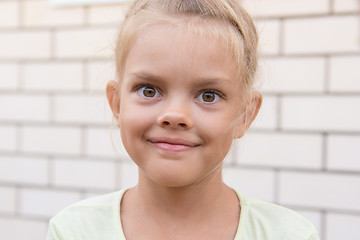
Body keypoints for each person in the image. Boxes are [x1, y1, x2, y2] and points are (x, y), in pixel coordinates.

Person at [46, 0, 320, 239]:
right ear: (116, 103)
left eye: (208, 95)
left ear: (245, 115)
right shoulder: (73, 231)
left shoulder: (290, 235)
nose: (175, 116)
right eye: (149, 90)